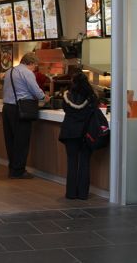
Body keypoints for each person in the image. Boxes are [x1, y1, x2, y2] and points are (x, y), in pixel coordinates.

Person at [2, 53, 47, 179]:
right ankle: (19, 170)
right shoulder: (27, 73)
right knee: (21, 141)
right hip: (21, 109)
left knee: (10, 140)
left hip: (8, 108)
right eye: (35, 66)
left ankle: (12, 168)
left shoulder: (9, 71)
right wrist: (44, 97)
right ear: (31, 63)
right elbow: (36, 91)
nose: (35, 68)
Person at [59, 71, 98, 200]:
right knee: (85, 162)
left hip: (70, 132)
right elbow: (94, 112)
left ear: (73, 82)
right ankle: (83, 194)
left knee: (72, 162)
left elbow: (65, 109)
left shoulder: (66, 96)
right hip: (86, 132)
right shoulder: (92, 97)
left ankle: (71, 193)